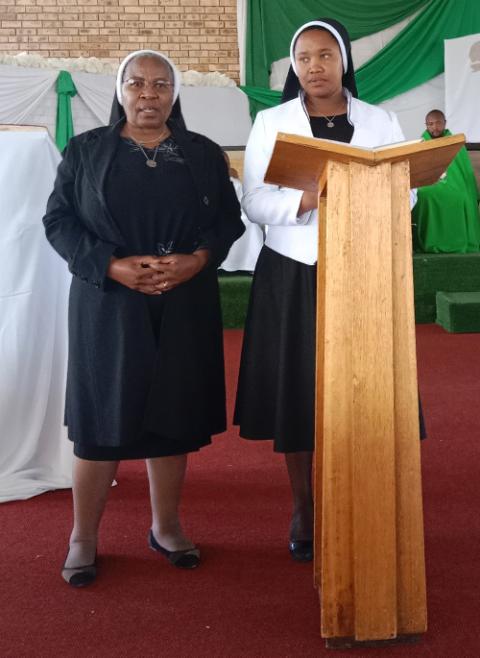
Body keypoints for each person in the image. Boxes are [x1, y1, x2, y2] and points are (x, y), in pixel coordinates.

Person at [43, 49, 244, 586]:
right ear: (120, 90)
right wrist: (111, 266)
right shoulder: (85, 152)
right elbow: (58, 221)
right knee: (100, 421)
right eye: (137, 84)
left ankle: (166, 525)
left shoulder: (201, 153)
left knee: (172, 416)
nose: (148, 94)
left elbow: (228, 220)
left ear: (174, 94)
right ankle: (83, 535)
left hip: (182, 300)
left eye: (159, 85)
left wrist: (198, 260)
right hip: (108, 302)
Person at [234, 18, 415, 562]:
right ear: (294, 66)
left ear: (344, 62)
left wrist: (368, 194)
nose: (314, 66)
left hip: (363, 269)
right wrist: (309, 199)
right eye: (304, 57)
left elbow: (404, 196)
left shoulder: (382, 120)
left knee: (365, 394)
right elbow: (254, 202)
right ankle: (305, 507)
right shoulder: (273, 121)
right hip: (294, 271)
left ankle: (364, 500)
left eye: (325, 55)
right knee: (298, 394)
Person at [412, 109, 480, 253]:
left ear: (445, 123)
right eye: (430, 124)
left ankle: (459, 240)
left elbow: (465, 172)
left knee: (462, 197)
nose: (434, 127)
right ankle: (427, 240)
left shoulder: (455, 143)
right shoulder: (421, 144)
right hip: (428, 185)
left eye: (438, 123)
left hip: (454, 185)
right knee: (421, 196)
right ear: (426, 125)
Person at [220, 150, 264, 272]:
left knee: (252, 226)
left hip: (236, 217)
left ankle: (250, 264)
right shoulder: (205, 184)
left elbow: (242, 207)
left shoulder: (236, 184)